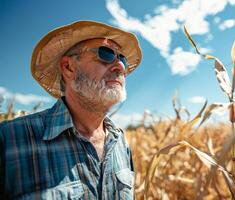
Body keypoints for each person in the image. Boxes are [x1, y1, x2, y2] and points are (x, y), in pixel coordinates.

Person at [0, 20, 142, 199]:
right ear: (68, 67)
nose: (120, 66)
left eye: (122, 58)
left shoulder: (120, 141)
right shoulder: (9, 139)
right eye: (105, 53)